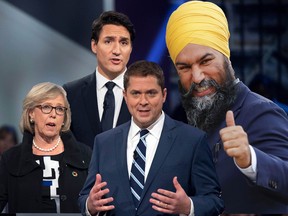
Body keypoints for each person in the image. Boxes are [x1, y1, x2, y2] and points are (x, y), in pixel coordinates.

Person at [165, 1, 288, 214]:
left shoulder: (260, 112)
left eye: (205, 61)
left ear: (226, 57)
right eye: (184, 67)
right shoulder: (185, 123)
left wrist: (250, 159)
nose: (197, 77)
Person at [78, 60, 224, 216]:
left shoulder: (192, 140)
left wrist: (189, 206)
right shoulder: (104, 142)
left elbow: (214, 200)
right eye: (136, 93)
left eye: (151, 93)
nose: (143, 102)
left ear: (164, 95)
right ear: (125, 96)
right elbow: (84, 198)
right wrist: (90, 205)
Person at [0, 82, 92, 213]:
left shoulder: (85, 156)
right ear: (31, 113)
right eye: (46, 107)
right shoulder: (10, 159)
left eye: (59, 109)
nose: (53, 114)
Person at [63, 11, 135, 148]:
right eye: (108, 41)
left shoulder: (145, 94)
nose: (117, 50)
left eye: (124, 42)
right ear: (94, 46)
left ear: (131, 48)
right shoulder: (71, 93)